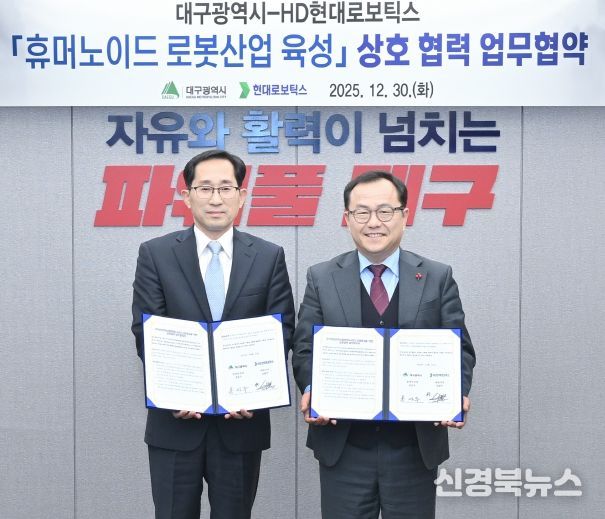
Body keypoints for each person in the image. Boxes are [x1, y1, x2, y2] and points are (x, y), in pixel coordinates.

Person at [292, 171, 476, 519]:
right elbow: (304, 348)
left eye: (385, 211)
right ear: (347, 218)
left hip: (413, 447)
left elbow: (460, 348)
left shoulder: (437, 276)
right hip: (343, 445)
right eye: (361, 212)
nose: (373, 222)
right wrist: (313, 390)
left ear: (404, 215)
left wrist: (456, 392)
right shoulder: (322, 277)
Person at [131, 149, 295, 519]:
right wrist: (174, 391)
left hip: (241, 423)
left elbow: (282, 328)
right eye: (205, 188)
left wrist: (253, 391)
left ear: (242, 195)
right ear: (187, 195)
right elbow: (146, 329)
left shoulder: (268, 256)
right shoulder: (156, 254)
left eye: (226, 188)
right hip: (175, 423)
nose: (216, 198)